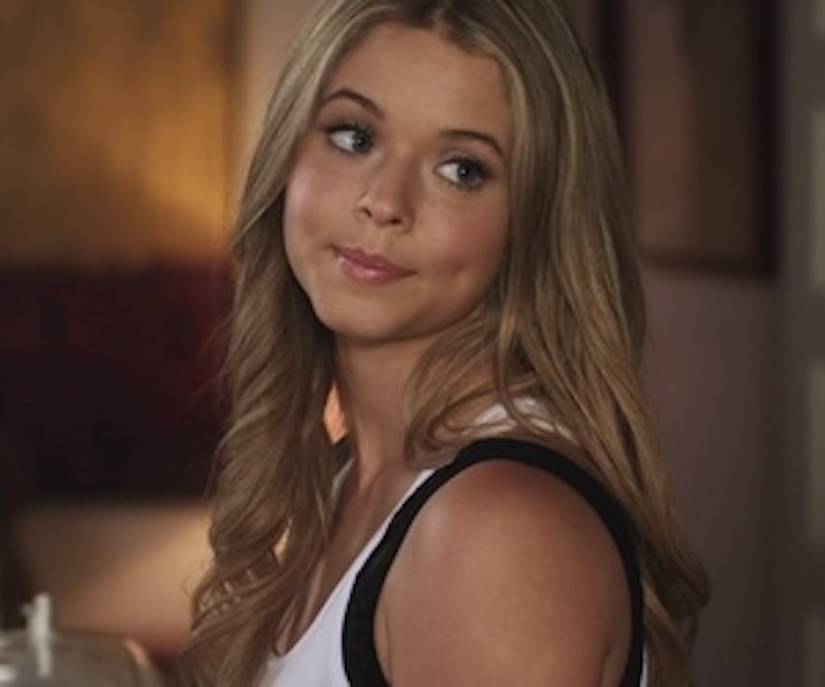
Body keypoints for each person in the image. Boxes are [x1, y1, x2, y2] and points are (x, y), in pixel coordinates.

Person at [180, 0, 709, 685]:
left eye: (461, 169)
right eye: (353, 136)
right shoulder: (349, 481)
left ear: (537, 219)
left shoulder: (498, 532)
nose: (385, 202)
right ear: (287, 153)